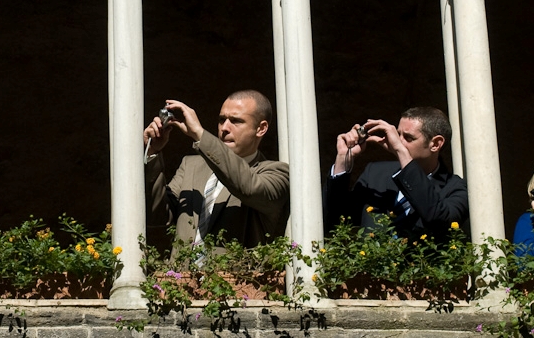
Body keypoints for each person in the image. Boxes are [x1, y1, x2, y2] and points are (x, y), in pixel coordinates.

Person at [144, 91, 289, 250]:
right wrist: (152, 154)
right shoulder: (191, 165)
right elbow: (157, 217)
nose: (225, 128)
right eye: (222, 120)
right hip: (182, 274)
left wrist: (199, 134)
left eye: (236, 121)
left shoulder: (277, 173)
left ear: (261, 128)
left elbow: (248, 187)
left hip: (235, 275)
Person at [323, 106, 468, 239]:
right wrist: (343, 158)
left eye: (408, 138)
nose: (397, 142)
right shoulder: (375, 173)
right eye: (398, 135)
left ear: (435, 144)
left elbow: (439, 220)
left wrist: (400, 150)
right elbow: (334, 220)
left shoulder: (456, 188)